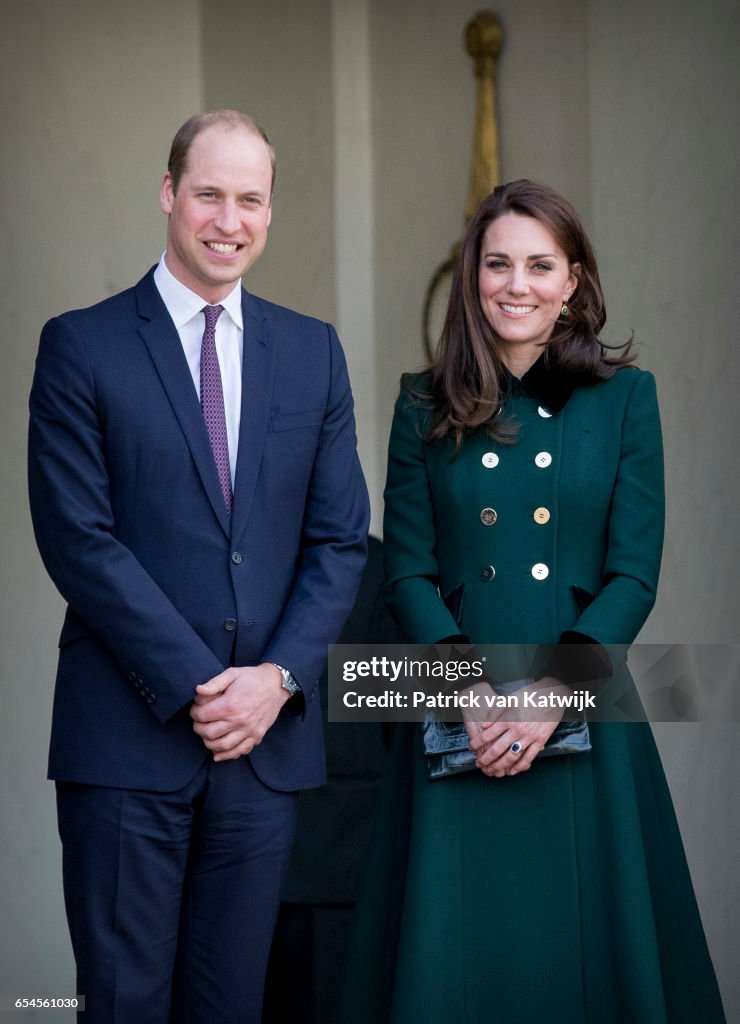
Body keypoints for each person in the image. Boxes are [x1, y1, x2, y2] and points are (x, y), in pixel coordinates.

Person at [338, 180, 725, 1022]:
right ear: (472, 276)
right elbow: (406, 571)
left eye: (541, 265)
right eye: (498, 262)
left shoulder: (627, 397)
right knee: (457, 959)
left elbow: (634, 573)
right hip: (459, 714)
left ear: (575, 279)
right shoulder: (421, 403)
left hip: (582, 702)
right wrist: (469, 693)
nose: (518, 284)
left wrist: (554, 692)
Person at [28, 109, 369, 1024]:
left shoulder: (312, 352)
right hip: (127, 745)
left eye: (250, 199)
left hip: (263, 753)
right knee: (125, 1005)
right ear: (169, 193)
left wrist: (275, 682)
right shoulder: (81, 345)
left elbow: (340, 541)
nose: (230, 219)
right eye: (210, 193)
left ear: (270, 210)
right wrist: (200, 687)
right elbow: (77, 538)